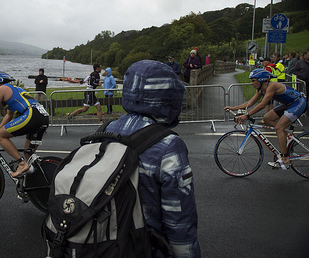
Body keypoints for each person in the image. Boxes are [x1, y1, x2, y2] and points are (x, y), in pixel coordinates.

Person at [103, 60, 201, 257]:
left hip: (105, 243)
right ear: (169, 97)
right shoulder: (169, 145)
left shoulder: (107, 130)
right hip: (144, 247)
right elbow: (179, 219)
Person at [224, 69, 307, 169]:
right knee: (267, 118)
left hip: (298, 103)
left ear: (262, 80)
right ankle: (285, 135)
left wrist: (247, 115)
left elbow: (263, 104)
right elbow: (250, 103)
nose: (252, 83)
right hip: (288, 104)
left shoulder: (272, 86)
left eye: (254, 80)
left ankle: (285, 158)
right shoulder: (260, 89)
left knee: (279, 128)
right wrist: (234, 108)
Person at [0, 71, 49, 177]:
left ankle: (21, 163)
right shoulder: (13, 89)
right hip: (43, 116)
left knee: (1, 136)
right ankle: (32, 188)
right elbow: (9, 115)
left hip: (32, 115)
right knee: (29, 155)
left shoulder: (0, 90)